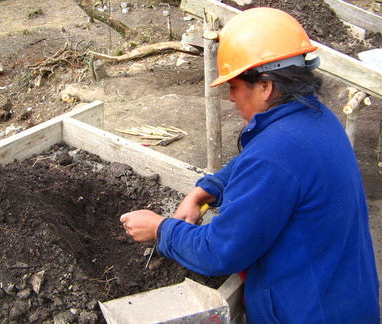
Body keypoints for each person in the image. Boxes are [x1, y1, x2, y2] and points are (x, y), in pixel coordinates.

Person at [119, 7, 380, 323]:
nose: (230, 98)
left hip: (310, 313)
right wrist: (202, 192)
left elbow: (220, 251)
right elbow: (252, 161)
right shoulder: (316, 119)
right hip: (345, 298)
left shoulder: (276, 155)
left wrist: (161, 229)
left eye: (234, 87)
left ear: (265, 86)